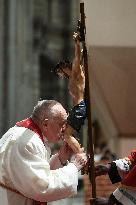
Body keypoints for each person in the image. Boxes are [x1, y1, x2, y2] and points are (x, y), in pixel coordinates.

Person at [0, 100, 87, 205]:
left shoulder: (28, 135)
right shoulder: (26, 142)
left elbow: (36, 173)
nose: (64, 129)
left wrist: (61, 158)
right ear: (45, 124)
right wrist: (75, 166)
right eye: (61, 124)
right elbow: (42, 186)